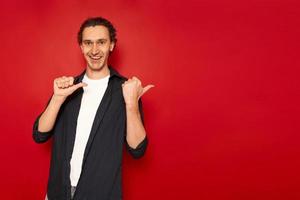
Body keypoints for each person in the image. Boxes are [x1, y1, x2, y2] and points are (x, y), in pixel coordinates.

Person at [32, 17, 153, 200]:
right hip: (58, 192)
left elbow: (137, 149)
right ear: (81, 47)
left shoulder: (126, 90)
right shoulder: (68, 87)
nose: (94, 50)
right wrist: (57, 98)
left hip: (100, 194)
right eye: (88, 43)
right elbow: (39, 135)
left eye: (101, 42)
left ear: (111, 45)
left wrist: (131, 104)